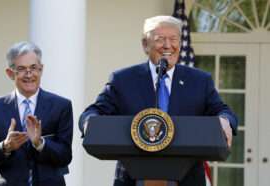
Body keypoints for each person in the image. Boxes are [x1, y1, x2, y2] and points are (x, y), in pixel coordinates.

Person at [79, 15, 237, 186]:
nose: (168, 45)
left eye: (173, 39)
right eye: (160, 39)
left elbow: (223, 111)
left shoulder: (200, 80)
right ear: (145, 44)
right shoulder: (123, 79)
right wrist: (89, 122)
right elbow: (94, 111)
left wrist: (225, 120)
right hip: (133, 179)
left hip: (187, 179)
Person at [0, 41, 73, 186]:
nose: (29, 75)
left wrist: (40, 143)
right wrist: (5, 146)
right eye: (22, 69)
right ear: (10, 73)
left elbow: (65, 156)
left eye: (34, 68)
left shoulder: (61, 106)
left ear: (41, 69)